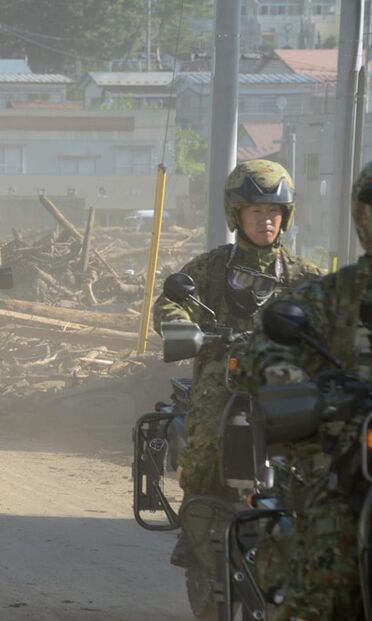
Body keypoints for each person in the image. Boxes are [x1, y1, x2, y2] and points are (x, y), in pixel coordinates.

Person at [152, 160, 322, 573]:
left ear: (286, 217)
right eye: (257, 212)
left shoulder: (304, 275)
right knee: (206, 433)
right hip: (224, 375)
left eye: (274, 212)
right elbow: (172, 302)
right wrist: (180, 323)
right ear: (237, 215)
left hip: (285, 380)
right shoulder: (212, 268)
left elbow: (337, 313)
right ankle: (193, 530)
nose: (266, 221)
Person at [236, 163, 372, 620]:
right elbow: (265, 348)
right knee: (327, 570)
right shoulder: (339, 295)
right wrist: (289, 379)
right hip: (349, 469)